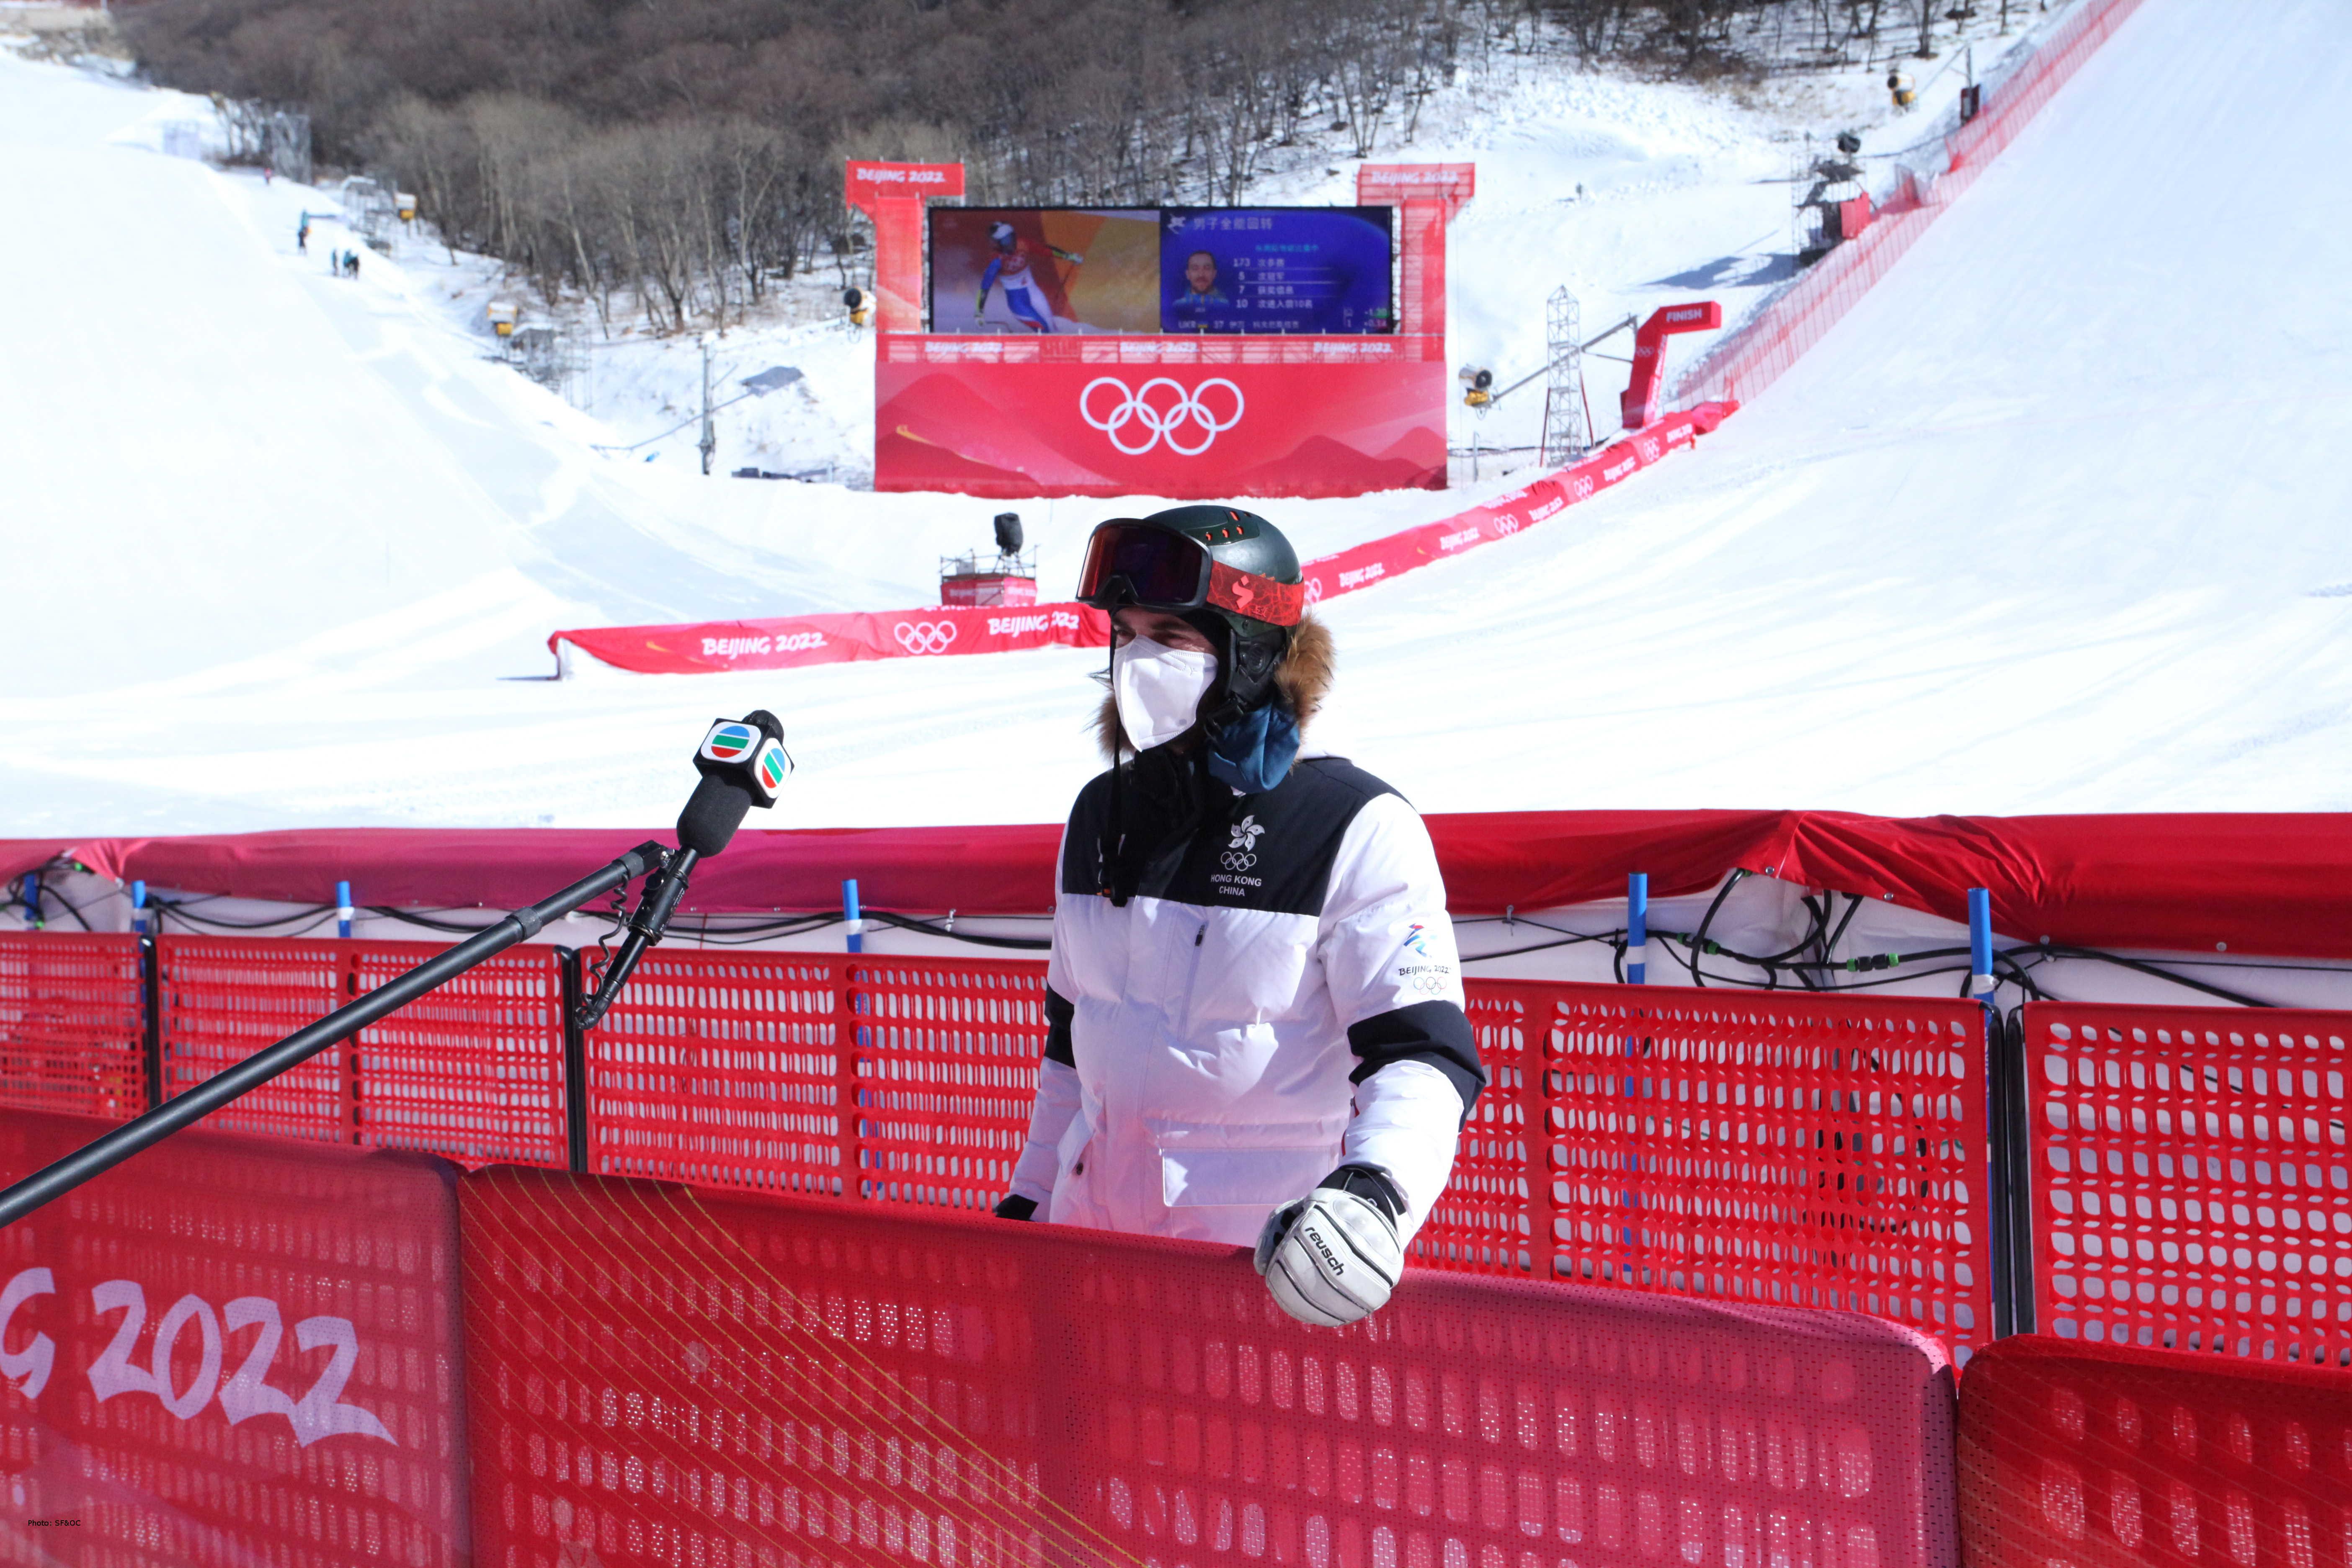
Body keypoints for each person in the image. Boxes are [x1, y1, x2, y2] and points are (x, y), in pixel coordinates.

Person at [993, 506, 1485, 1327]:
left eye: (1173, 639)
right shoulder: (1102, 815)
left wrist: (1374, 1198)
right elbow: (1071, 1053)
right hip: (1092, 1266)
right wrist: (1030, 1201)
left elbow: (1424, 1056)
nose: (1139, 660)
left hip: (1257, 1289)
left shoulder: (1352, 825)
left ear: (1248, 653)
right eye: (1128, 634)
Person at [974, 220, 1081, 333]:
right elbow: (985, 288)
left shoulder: (1023, 244)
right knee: (1043, 329)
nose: (1010, 244)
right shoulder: (996, 261)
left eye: (1011, 239)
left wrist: (1068, 256)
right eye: (1005, 242)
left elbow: (1045, 250)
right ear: (998, 244)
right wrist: (979, 312)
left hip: (1033, 291)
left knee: (1052, 327)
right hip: (1017, 302)